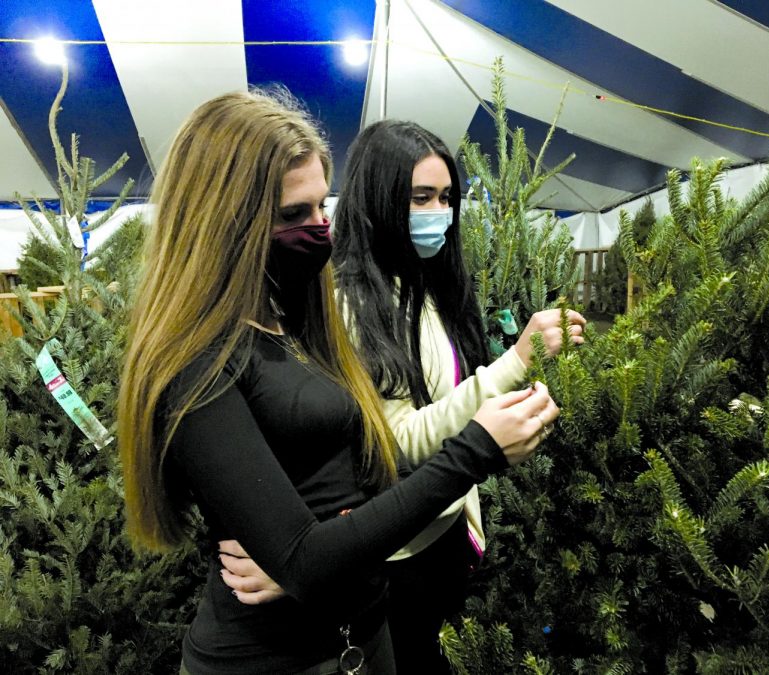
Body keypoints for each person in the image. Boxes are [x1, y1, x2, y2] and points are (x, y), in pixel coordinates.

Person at [117, 91, 560, 675]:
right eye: (293, 215)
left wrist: (323, 548)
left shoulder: (297, 320)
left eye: (322, 208)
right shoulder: (196, 362)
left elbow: (356, 477)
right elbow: (305, 557)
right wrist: (478, 447)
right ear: (223, 221)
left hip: (362, 636)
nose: (320, 230)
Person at [217, 119, 584, 673]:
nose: (438, 211)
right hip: (393, 556)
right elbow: (395, 440)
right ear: (380, 200)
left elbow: (445, 394)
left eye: (446, 197)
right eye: (420, 197)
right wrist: (514, 367)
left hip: (442, 534)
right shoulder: (345, 304)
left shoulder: (423, 286)